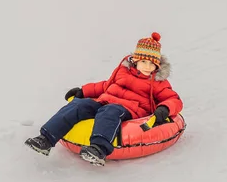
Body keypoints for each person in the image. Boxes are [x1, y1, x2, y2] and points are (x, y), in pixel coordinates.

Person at [25, 32, 183, 166]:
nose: (147, 67)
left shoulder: (158, 82)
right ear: (135, 60)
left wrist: (165, 108)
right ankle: (45, 139)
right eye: (143, 61)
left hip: (130, 109)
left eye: (152, 63)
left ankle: (99, 149)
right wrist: (83, 91)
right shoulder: (122, 72)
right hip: (105, 100)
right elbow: (106, 86)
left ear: (157, 65)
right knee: (79, 105)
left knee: (109, 112)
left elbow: (173, 99)